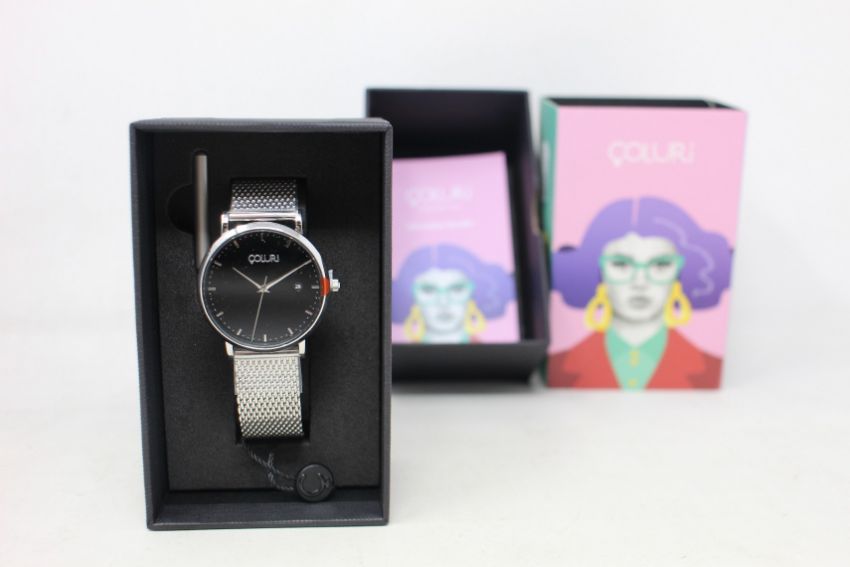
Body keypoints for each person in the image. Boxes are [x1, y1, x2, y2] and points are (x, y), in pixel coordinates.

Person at [549, 197, 733, 389]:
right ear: (598, 271)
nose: (640, 282)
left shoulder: (710, 367)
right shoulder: (559, 366)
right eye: (621, 264)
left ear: (679, 273)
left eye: (661, 265)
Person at [392, 244, 515, 343]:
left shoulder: (491, 355)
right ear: (412, 296)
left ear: (472, 293)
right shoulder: (397, 357)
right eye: (429, 290)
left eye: (456, 289)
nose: (443, 302)